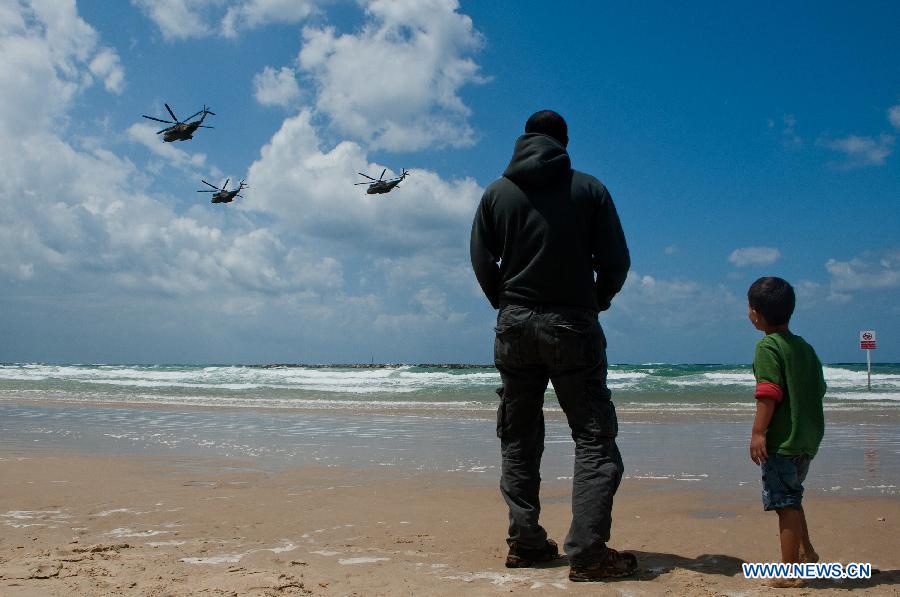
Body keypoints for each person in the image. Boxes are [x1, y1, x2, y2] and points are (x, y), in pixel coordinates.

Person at [470, 110, 635, 581]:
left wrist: (503, 300)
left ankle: (525, 543)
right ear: (565, 143)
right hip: (572, 324)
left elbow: (480, 256)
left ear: (524, 138)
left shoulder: (497, 193)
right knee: (593, 437)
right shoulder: (589, 189)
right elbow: (617, 262)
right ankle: (587, 553)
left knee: (519, 436)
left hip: (514, 325)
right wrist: (596, 300)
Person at [747, 276, 826, 588]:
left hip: (782, 442)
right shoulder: (804, 347)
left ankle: (790, 572)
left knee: (785, 505)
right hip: (807, 439)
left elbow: (768, 391)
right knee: (793, 497)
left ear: (756, 313)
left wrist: (758, 432)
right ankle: (806, 552)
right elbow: (818, 389)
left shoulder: (768, 346)